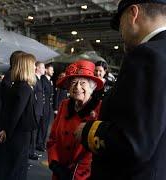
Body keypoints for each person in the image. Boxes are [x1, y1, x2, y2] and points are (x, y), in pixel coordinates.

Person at [74, 0, 166, 179]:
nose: (120, 32)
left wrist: (88, 131)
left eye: (120, 23)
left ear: (133, 14)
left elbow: (134, 144)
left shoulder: (147, 55)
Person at [47, 60, 103, 180]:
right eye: (73, 82)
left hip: (82, 176)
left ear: (92, 86)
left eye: (83, 83)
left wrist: (75, 174)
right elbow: (52, 139)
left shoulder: (100, 109)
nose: (77, 87)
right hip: (58, 172)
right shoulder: (64, 105)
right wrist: (54, 163)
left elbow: (96, 151)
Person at [0, 53, 38, 180]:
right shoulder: (25, 87)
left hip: (15, 133)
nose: (35, 67)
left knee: (10, 166)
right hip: (19, 134)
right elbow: (16, 113)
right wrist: (7, 132)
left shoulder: (17, 85)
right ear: (27, 67)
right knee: (17, 168)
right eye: (33, 65)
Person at [36, 64, 54, 152]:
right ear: (46, 70)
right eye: (51, 70)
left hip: (48, 106)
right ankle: (39, 143)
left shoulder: (49, 81)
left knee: (46, 126)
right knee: (42, 126)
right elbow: (41, 94)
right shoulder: (43, 80)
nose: (53, 72)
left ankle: (42, 143)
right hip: (44, 106)